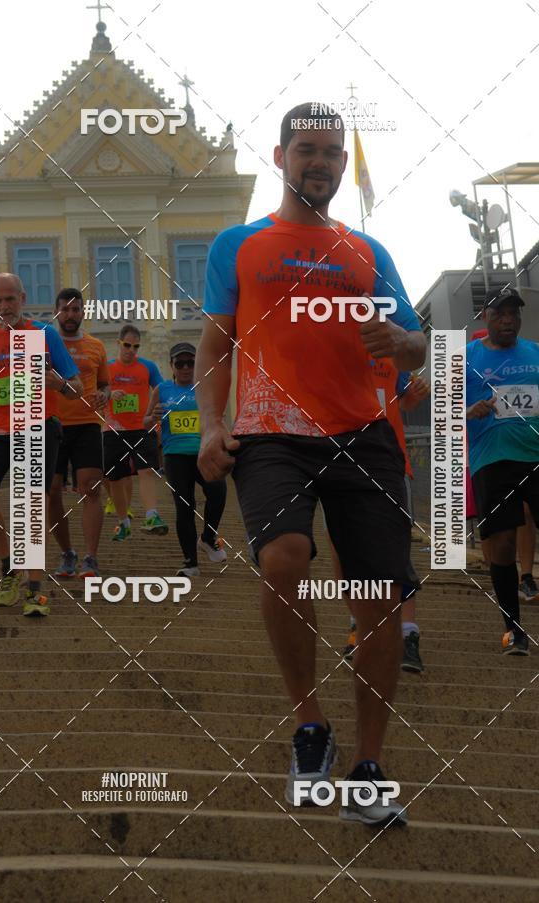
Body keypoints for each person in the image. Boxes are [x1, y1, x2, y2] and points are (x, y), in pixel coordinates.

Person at [196, 103, 425, 826]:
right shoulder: (238, 245)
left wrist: (402, 340)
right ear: (281, 155)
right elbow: (213, 347)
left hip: (366, 435)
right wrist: (210, 425)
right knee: (285, 557)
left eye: (331, 151)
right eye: (307, 150)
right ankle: (309, 723)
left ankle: (367, 767)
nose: (320, 162)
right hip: (270, 434)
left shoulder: (369, 252)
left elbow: (417, 347)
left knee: (379, 599)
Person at [0, 273, 82, 616]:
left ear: (22, 299)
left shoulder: (44, 335)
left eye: (9, 299)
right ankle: (10, 564)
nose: (3, 306)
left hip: (37, 426)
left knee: (29, 504)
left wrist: (59, 385)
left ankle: (36, 588)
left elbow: (76, 387)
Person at [341, 366, 430, 673]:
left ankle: (407, 634)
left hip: (391, 464)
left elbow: (404, 399)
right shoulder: (322, 341)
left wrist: (413, 395)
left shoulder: (389, 343)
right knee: (346, 552)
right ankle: (359, 626)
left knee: (397, 552)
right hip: (338, 466)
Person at [466, 287, 539, 655]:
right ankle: (513, 630)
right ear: (486, 318)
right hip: (492, 459)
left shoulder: (535, 352)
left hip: (535, 453)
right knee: (504, 543)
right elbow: (443, 413)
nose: (508, 320)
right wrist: (469, 411)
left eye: (514, 314)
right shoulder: (466, 357)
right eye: (500, 314)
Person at [144, 342, 227, 576]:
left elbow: (216, 418)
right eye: (180, 363)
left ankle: (208, 538)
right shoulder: (161, 390)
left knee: (218, 492)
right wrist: (152, 418)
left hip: (203, 453)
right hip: (175, 457)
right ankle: (190, 563)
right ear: (171, 365)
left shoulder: (204, 387)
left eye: (190, 362)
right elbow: (146, 421)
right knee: (185, 506)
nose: (185, 367)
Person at [49, 288, 110, 578]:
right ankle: (67, 553)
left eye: (75, 309)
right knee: (51, 492)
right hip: (52, 424)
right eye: (65, 309)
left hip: (87, 423)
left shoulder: (96, 345)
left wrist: (104, 395)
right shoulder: (46, 343)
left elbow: (105, 384)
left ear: (83, 312)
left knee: (91, 488)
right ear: (57, 311)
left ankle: (90, 558)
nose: (70, 315)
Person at [103, 325, 167, 541]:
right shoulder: (108, 367)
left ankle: (152, 515)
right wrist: (110, 394)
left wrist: (155, 412)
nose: (131, 350)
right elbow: (95, 391)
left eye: (136, 346)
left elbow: (162, 389)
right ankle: (124, 522)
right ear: (118, 344)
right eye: (127, 345)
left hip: (141, 427)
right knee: (115, 478)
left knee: (146, 470)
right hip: (114, 429)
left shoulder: (147, 366)